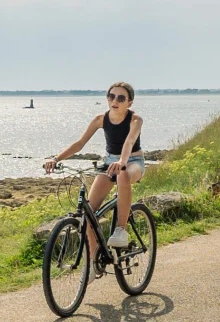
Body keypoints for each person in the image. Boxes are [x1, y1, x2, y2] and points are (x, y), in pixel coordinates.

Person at [42, 81, 147, 252]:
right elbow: (80, 143)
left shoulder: (135, 119)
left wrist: (122, 162)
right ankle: (94, 257)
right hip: (109, 163)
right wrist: (56, 158)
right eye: (111, 96)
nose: (115, 101)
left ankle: (121, 230)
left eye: (121, 98)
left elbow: (129, 142)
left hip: (133, 161)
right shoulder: (100, 119)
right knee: (88, 213)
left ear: (129, 102)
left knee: (123, 174)